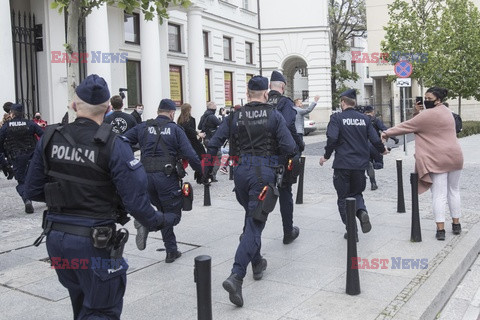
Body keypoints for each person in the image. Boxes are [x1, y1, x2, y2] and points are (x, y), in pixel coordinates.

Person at [24, 74, 177, 319]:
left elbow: (31, 189)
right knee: (102, 309)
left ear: (74, 106)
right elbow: (135, 202)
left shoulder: (50, 137)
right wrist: (162, 220)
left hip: (57, 239)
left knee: (82, 303)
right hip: (93, 242)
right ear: (107, 109)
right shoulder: (114, 144)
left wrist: (69, 196)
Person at [205, 75, 297, 307]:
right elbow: (290, 147)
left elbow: (213, 143)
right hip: (263, 175)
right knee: (255, 225)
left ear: (247, 94)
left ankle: (257, 263)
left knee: (250, 219)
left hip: (241, 175)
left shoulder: (235, 115)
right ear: (266, 94)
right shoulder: (274, 115)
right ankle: (236, 275)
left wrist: (207, 169)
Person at [124, 99, 203, 263]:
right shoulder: (175, 129)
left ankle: (171, 250)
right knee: (173, 216)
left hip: (145, 177)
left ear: (158, 111)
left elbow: (121, 140)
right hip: (166, 178)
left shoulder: (144, 126)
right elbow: (191, 154)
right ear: (172, 113)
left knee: (162, 211)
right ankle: (147, 224)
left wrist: (129, 162)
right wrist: (201, 173)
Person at [382, 87, 463, 240]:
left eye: (428, 98)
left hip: (438, 158)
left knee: (439, 195)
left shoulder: (427, 115)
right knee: (454, 190)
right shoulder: (447, 112)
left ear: (437, 99)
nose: (425, 101)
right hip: (456, 156)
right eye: (424, 98)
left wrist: (385, 133)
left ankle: (440, 230)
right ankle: (456, 225)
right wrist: (418, 112)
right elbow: (423, 124)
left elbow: (408, 126)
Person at [319, 89, 388, 241]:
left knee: (343, 198)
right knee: (357, 193)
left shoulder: (337, 118)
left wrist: (326, 156)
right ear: (354, 103)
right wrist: (382, 150)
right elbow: (375, 139)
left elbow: (332, 138)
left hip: (343, 164)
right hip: (360, 165)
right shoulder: (364, 119)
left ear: (343, 103)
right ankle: (361, 211)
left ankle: (351, 231)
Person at [267, 71, 304, 244]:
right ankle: (287, 232)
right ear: (282, 87)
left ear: (269, 87)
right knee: (285, 193)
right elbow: (290, 125)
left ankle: (251, 233)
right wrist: (299, 145)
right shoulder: (285, 102)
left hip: (264, 156)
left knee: (260, 193)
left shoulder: (263, 102)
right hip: (282, 155)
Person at [0, 103, 44, 213]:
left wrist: (3, 160)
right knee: (36, 176)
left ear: (12, 113)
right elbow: (43, 135)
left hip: (16, 157)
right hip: (32, 155)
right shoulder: (30, 123)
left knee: (22, 181)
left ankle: (27, 200)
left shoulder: (7, 126)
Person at [363, 105, 399, 190]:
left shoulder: (361, 120)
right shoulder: (375, 120)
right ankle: (374, 169)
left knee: (368, 163)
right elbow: (384, 129)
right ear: (372, 111)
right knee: (379, 163)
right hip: (375, 145)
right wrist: (394, 138)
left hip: (364, 145)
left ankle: (372, 181)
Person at [199, 101, 222, 181]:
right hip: (213, 138)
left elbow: (199, 127)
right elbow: (220, 123)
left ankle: (206, 174)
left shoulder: (203, 116)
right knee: (218, 156)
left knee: (209, 157)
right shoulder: (212, 116)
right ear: (212, 108)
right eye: (215, 105)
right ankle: (212, 174)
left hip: (206, 139)